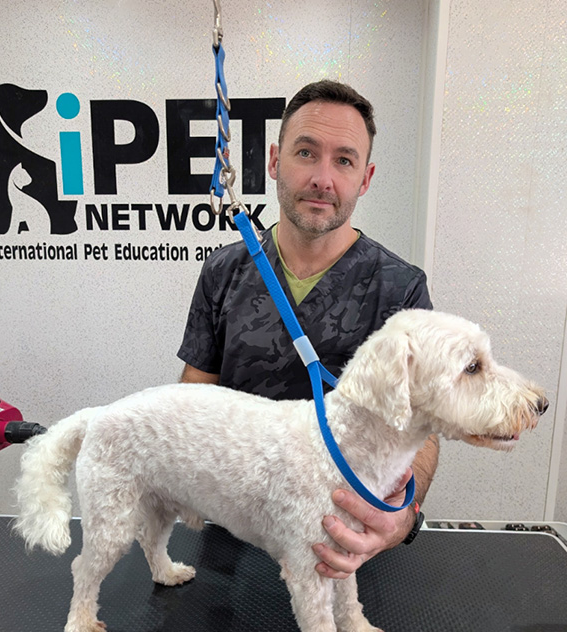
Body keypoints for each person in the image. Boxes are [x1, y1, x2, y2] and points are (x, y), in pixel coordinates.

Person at [177, 80, 439, 579]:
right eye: (306, 153)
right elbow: (193, 400)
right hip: (235, 538)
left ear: (365, 178)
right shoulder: (224, 271)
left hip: (343, 547)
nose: (323, 178)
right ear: (275, 161)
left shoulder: (401, 289)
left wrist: (401, 516)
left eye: (344, 160)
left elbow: (421, 428)